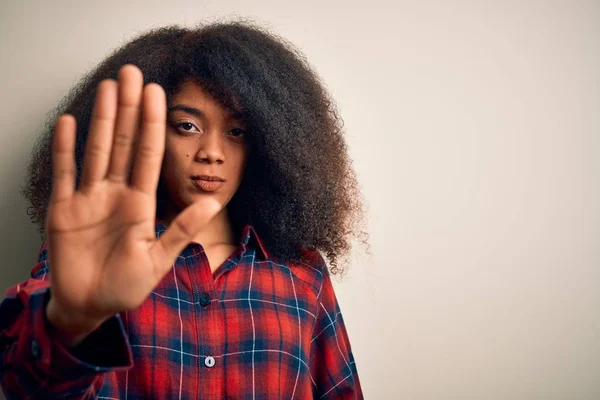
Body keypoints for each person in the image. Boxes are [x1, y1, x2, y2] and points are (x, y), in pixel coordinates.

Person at [0, 21, 367, 399]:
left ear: (269, 143)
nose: (211, 152)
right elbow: (22, 387)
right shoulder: (97, 253)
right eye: (187, 126)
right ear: (151, 132)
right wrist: (72, 325)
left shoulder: (302, 273)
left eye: (236, 131)